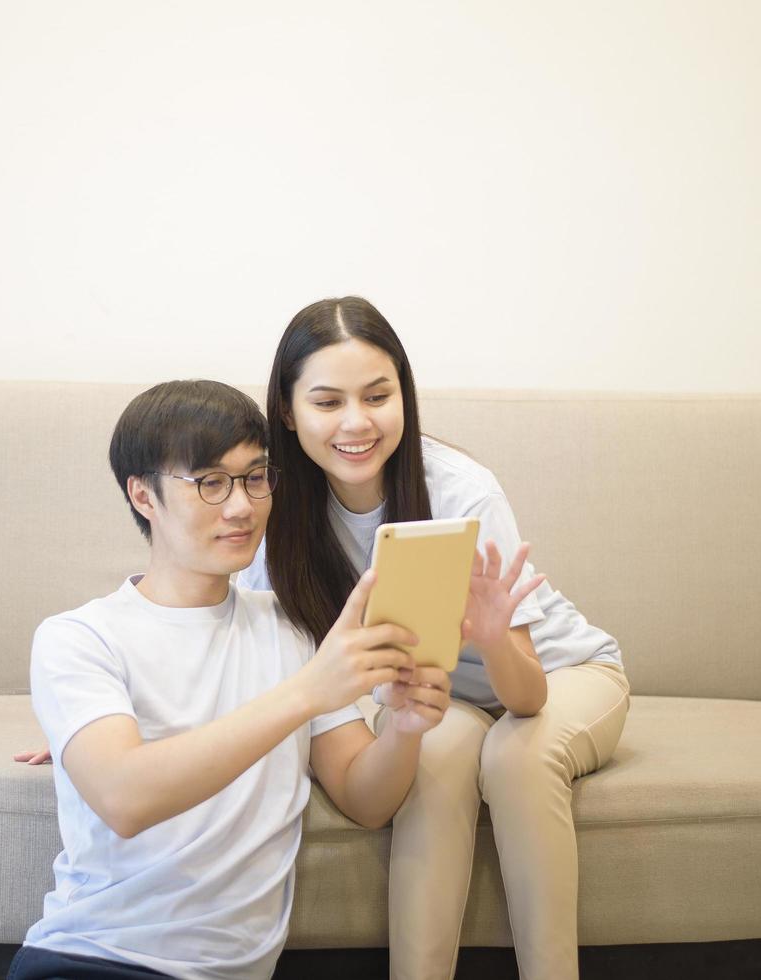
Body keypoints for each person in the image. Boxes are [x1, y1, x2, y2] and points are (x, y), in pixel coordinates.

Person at [11, 379, 468, 980]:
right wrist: (306, 693)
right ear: (143, 495)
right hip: (91, 959)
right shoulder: (78, 637)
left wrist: (405, 729)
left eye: (255, 478)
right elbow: (125, 797)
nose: (241, 507)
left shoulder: (291, 628)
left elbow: (367, 801)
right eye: (210, 483)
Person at [241, 297, 629, 980]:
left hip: (560, 677)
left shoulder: (460, 490)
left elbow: (529, 695)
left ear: (403, 396)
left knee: (513, 757)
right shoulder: (273, 511)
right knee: (429, 751)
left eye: (377, 396)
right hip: (436, 696)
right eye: (327, 402)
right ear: (286, 409)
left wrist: (491, 635)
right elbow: (227, 641)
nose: (356, 422)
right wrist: (129, 711)